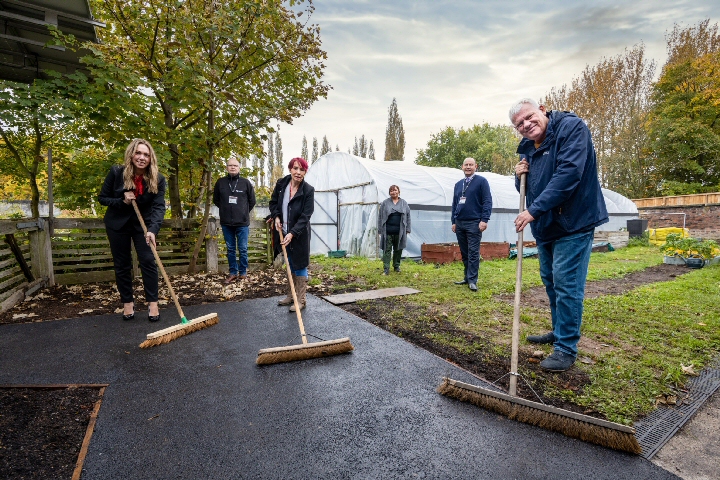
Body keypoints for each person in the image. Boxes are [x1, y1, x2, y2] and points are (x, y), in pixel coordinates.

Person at [510, 98, 608, 372]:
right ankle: (559, 331)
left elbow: (568, 175)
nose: (526, 125)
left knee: (567, 282)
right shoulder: (528, 148)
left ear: (542, 110)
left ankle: (566, 347)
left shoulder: (571, 128)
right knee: (551, 281)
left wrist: (533, 211)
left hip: (574, 221)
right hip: (547, 225)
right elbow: (529, 187)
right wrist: (518, 177)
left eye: (529, 117)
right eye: (520, 125)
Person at [99, 138, 166, 322]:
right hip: (117, 225)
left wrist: (152, 230)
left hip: (142, 226)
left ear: (151, 158)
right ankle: (127, 302)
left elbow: (159, 207)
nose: (142, 157)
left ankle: (153, 303)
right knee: (122, 264)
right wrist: (122, 201)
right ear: (131, 154)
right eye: (138, 153)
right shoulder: (116, 172)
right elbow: (103, 198)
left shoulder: (158, 179)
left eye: (146, 154)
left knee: (148, 261)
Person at [269, 157, 315, 312]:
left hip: (299, 234)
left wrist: (293, 233)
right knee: (289, 263)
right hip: (283, 231)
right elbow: (274, 203)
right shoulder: (282, 184)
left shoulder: (308, 190)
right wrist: (276, 217)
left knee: (300, 264)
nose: (298, 172)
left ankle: (301, 300)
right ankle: (291, 296)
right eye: (295, 168)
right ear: (290, 169)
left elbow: (306, 215)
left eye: (302, 170)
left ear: (305, 172)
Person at [451, 157, 492, 292]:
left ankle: (473, 280)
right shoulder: (458, 184)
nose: (468, 167)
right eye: (466, 165)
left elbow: (487, 201)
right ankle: (467, 277)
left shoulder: (481, 182)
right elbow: (455, 204)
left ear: (476, 166)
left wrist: (484, 220)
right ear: (462, 167)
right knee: (464, 251)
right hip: (460, 222)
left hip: (474, 222)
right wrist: (453, 221)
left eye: (471, 165)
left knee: (473, 252)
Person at [213, 157, 256, 284]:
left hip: (242, 223)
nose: (232, 167)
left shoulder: (245, 183)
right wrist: (226, 210)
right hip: (226, 223)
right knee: (230, 249)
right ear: (226, 167)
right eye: (230, 165)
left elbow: (252, 201)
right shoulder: (220, 183)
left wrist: (242, 212)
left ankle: (243, 273)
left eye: (235, 165)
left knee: (243, 249)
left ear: (239, 167)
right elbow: (216, 200)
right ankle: (233, 273)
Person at [378, 185, 411, 275]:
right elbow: (380, 217)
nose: (393, 192)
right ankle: (386, 268)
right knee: (387, 250)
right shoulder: (385, 203)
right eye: (391, 191)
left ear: (398, 191)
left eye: (395, 190)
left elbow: (408, 216)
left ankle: (396, 266)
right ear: (389, 193)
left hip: (400, 231)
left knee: (398, 249)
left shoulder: (404, 203)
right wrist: (380, 230)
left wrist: (408, 229)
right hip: (388, 231)